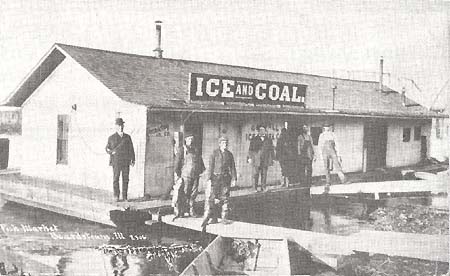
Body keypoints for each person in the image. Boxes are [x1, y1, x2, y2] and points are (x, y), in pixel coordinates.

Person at [201, 136, 237, 228]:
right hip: (215, 178)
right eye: (223, 143)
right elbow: (210, 167)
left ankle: (224, 218)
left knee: (225, 199)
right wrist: (209, 179)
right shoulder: (214, 153)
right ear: (220, 144)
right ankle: (213, 217)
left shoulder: (229, 154)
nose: (225, 144)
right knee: (212, 199)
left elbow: (232, 167)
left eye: (226, 143)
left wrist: (234, 179)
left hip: (225, 179)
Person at [173, 132, 205, 218]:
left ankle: (191, 211)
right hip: (185, 176)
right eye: (189, 139)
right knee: (184, 193)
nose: (190, 140)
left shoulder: (195, 150)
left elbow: (200, 162)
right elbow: (176, 164)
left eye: (192, 139)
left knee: (193, 194)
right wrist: (179, 175)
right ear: (185, 140)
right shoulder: (182, 150)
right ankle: (182, 211)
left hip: (195, 176)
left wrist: (201, 171)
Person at [105, 118, 135, 202]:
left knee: (125, 179)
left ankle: (125, 196)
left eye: (122, 125)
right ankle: (116, 196)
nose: (121, 127)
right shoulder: (111, 137)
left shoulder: (127, 137)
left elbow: (131, 149)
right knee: (116, 178)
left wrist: (133, 159)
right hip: (116, 161)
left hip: (126, 161)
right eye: (119, 125)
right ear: (116, 127)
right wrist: (111, 152)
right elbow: (107, 148)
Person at [248, 125, 275, 192]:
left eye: (263, 130)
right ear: (258, 131)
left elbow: (271, 149)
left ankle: (263, 187)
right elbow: (250, 150)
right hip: (256, 159)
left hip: (265, 159)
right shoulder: (254, 139)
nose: (262, 131)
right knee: (255, 174)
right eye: (260, 130)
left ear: (265, 131)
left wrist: (272, 158)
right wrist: (249, 158)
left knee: (264, 174)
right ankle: (254, 188)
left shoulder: (268, 139)